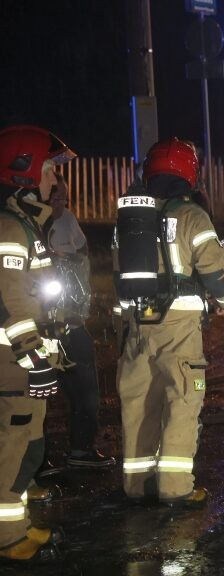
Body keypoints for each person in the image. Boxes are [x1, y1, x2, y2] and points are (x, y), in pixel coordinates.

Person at [115, 138, 224, 508]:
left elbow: (119, 277)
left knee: (139, 404)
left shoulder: (130, 220)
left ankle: (137, 485)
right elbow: (214, 273)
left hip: (137, 325)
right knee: (182, 399)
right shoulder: (192, 216)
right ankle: (175, 487)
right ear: (189, 173)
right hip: (179, 326)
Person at [0, 124, 75, 562]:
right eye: (50, 168)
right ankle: (8, 539)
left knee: (28, 444)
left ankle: (17, 525)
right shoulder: (11, 228)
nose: (56, 179)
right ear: (25, 171)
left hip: (25, 359)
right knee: (13, 447)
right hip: (14, 361)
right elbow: (10, 299)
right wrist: (33, 354)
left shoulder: (26, 225)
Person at [45, 178, 116, 470]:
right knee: (39, 394)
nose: (59, 205)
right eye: (54, 198)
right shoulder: (29, 225)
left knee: (86, 387)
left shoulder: (68, 220)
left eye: (63, 199)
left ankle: (82, 448)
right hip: (45, 327)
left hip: (74, 321)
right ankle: (38, 459)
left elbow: (84, 252)